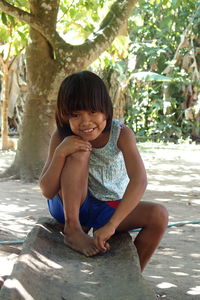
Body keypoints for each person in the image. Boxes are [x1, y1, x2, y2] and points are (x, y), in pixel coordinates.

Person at [39, 70, 168, 272]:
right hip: (70, 206)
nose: (86, 122)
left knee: (159, 215)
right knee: (79, 150)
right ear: (65, 116)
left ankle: (130, 278)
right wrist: (60, 153)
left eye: (93, 112)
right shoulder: (63, 135)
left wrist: (112, 224)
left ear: (106, 110)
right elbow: (47, 190)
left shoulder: (121, 134)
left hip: (108, 207)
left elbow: (139, 180)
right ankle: (73, 229)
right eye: (76, 114)